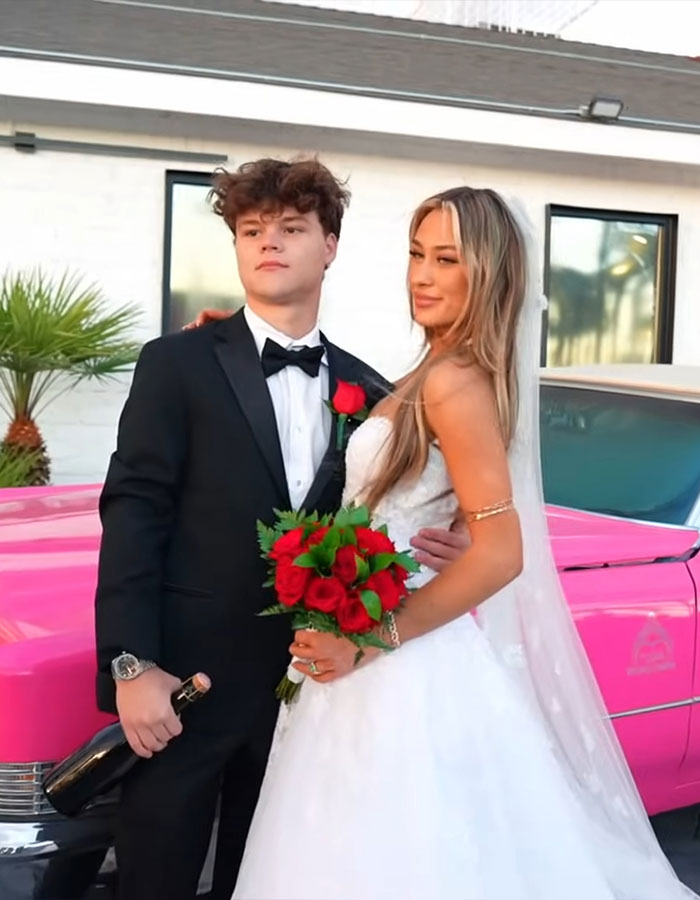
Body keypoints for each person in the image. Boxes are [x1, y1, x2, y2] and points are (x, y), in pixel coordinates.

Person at [225, 187, 699, 900]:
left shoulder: (453, 382)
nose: (422, 274)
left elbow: (503, 550)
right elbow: (441, 512)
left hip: (400, 662)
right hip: (366, 663)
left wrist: (369, 637)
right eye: (417, 254)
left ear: (488, 273)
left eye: (446, 259)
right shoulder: (427, 374)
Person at [93, 157, 465, 900]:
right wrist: (130, 666)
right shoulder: (175, 363)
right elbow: (134, 513)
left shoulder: (379, 396)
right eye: (252, 229)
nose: (270, 242)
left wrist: (439, 550)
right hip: (182, 692)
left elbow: (387, 522)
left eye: (292, 228)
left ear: (329, 245)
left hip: (314, 697)